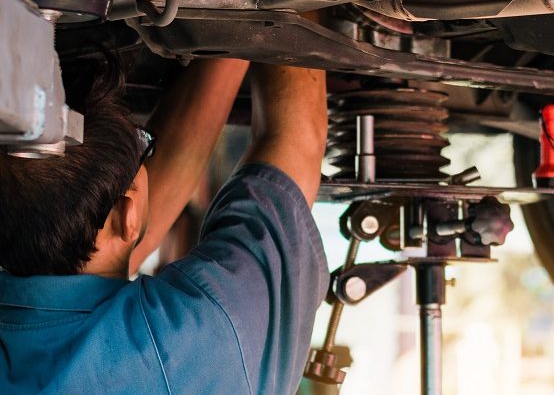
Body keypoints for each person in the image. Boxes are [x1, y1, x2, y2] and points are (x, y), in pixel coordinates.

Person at [0, 57, 329, 394]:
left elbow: (108, 250)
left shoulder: (198, 340)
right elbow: (295, 141)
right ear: (128, 213)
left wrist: (229, 48)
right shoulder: (201, 337)